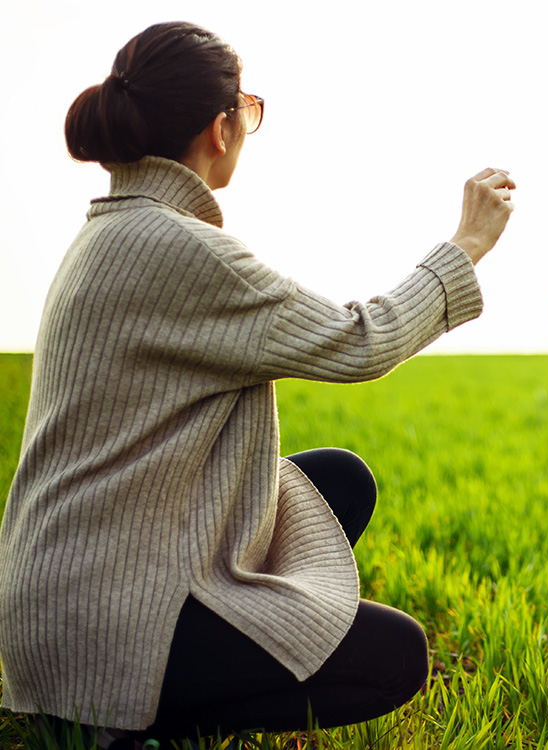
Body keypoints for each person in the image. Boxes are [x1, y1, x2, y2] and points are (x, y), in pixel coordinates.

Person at [0, 21, 515, 749]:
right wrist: (466, 246)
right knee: (397, 656)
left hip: (59, 598)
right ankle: (140, 723)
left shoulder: (110, 232)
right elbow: (361, 341)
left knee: (337, 481)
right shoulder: (179, 248)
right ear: (220, 127)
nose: (250, 124)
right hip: (106, 625)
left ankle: (156, 696)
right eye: (250, 108)